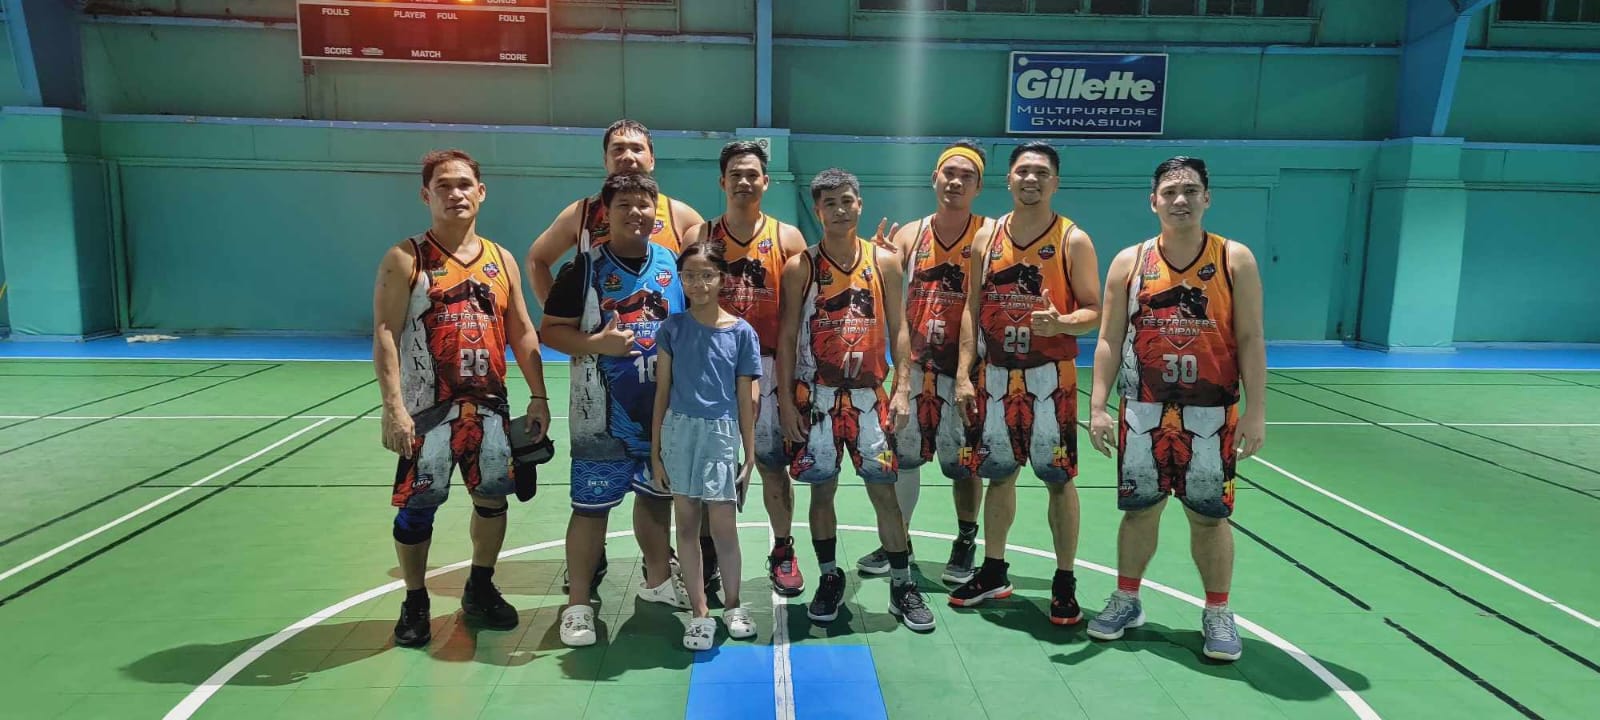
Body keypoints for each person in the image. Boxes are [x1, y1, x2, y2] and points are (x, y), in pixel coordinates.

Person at [1085, 156, 1265, 662]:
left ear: (1207, 197)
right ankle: (1127, 598)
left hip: (1212, 409)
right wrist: (1098, 405)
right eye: (1169, 192)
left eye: (1190, 190)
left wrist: (1256, 410)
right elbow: (1107, 339)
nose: (1179, 199)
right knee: (1140, 510)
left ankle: (1217, 611)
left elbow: (1250, 337)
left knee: (1208, 515)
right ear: (1153, 201)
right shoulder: (1130, 261)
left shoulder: (1234, 259)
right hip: (1141, 407)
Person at [372, 149, 552, 647]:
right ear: (426, 194)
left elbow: (521, 330)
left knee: (493, 498)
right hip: (426, 411)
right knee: (419, 505)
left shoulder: (501, 259)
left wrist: (538, 396)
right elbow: (385, 332)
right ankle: (415, 599)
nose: (455, 194)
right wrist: (393, 408)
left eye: (464, 184)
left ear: (481, 191)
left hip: (491, 407)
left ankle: (480, 584)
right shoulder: (406, 258)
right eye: (444, 185)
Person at [524, 119, 703, 598]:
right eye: (617, 149)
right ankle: (586, 581)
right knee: (593, 501)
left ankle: (662, 573)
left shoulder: (681, 217)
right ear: (605, 161)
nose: (627, 156)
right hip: (601, 383)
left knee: (657, 494)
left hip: (661, 388)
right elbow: (539, 260)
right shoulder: (583, 216)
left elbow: (701, 285)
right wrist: (579, 326)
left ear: (652, 158)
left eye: (636, 149)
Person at [951, 141, 1102, 626]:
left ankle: (1064, 580)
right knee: (998, 474)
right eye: (1022, 171)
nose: (1031, 179)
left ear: (1055, 182)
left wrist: (1064, 323)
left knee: (1058, 480)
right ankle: (994, 569)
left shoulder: (1073, 239)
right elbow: (972, 307)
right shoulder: (986, 237)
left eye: (1041, 172)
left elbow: (1095, 310)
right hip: (994, 373)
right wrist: (963, 373)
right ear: (1009, 180)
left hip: (1049, 376)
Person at [777, 168, 935, 632]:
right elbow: (787, 338)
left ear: (859, 205)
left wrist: (903, 387)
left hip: (869, 397)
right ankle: (830, 576)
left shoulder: (883, 262)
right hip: (818, 398)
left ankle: (902, 585)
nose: (840, 209)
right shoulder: (801, 266)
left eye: (847, 200)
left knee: (883, 492)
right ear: (818, 209)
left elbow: (900, 329)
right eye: (829, 203)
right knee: (821, 491)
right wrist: (787, 403)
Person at [540, 173, 690, 647]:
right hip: (600, 416)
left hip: (660, 415)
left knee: (654, 501)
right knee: (590, 511)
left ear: (656, 213)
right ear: (606, 211)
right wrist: (596, 343)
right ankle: (579, 603)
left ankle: (657, 582)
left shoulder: (670, 263)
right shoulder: (582, 269)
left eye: (644, 204)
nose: (636, 213)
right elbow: (551, 331)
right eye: (625, 204)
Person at [857, 140, 991, 585]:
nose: (955, 181)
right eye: (948, 173)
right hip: (915, 367)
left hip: (967, 370)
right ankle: (901, 539)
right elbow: (888, 297)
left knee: (964, 462)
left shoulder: (989, 234)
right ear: (934, 178)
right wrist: (879, 261)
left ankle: (966, 540)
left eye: (965, 175)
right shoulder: (909, 235)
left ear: (978, 184)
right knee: (905, 458)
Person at [681, 140, 810, 598]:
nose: (743, 181)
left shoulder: (788, 238)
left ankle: (782, 548)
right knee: (706, 468)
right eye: (735, 173)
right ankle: (708, 555)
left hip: (768, 367)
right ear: (722, 181)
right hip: (710, 367)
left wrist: (794, 382)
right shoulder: (700, 235)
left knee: (774, 465)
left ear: (766, 181)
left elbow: (799, 318)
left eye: (752, 174)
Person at [650, 242, 762, 650]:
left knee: (724, 528)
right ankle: (699, 613)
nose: (698, 282)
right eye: (690, 275)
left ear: (722, 279)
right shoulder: (673, 328)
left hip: (720, 434)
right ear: (681, 279)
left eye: (707, 274)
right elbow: (662, 392)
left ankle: (733, 604)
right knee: (687, 526)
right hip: (680, 433)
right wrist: (655, 451)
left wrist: (748, 457)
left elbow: (746, 400)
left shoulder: (742, 333)